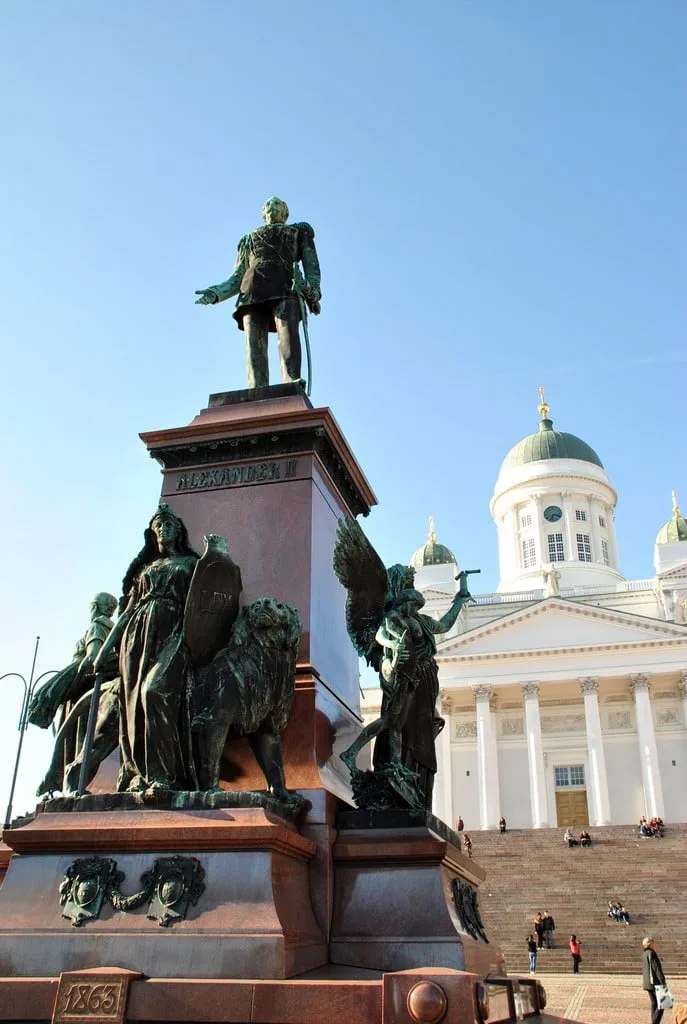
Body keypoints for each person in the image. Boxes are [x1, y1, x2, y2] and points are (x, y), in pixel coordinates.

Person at [93, 504, 199, 793]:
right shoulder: (144, 569)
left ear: (179, 532)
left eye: (168, 525)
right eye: (158, 527)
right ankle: (141, 773)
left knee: (153, 692)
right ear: (152, 535)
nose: (163, 530)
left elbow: (203, 604)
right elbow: (127, 612)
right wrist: (106, 648)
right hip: (136, 638)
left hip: (174, 633)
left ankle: (166, 773)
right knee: (133, 704)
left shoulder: (191, 565)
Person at [195, 197, 321, 389]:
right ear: (263, 213)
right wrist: (215, 293)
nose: (272, 207)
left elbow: (312, 268)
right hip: (252, 289)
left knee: (288, 336)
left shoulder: (298, 231)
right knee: (254, 345)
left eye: (278, 204)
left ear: (285, 213)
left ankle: (291, 381)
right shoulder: (249, 238)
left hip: (286, 285)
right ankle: (256, 388)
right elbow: (237, 276)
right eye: (269, 205)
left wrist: (311, 290)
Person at [29, 592, 119, 794]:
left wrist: (69, 680)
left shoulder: (97, 626)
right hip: (91, 688)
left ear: (96, 607)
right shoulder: (112, 629)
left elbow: (93, 657)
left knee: (78, 740)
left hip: (85, 690)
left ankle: (72, 786)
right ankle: (70, 785)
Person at [642, 937, 668, 1023]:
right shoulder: (651, 953)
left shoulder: (644, 953)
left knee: (654, 1003)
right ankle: (655, 1022)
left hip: (647, 983)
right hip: (654, 982)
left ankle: (654, 1020)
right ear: (650, 943)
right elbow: (656, 968)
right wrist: (663, 981)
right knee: (662, 1003)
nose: (654, 945)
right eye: (653, 943)